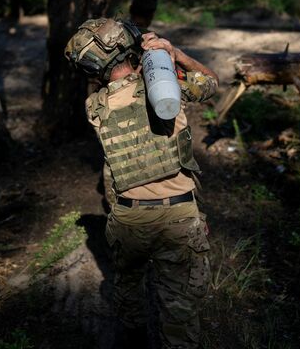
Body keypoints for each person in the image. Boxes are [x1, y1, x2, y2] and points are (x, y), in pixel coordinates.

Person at [64, 18, 218, 348]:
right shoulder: (165, 84)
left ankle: (131, 338)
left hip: (127, 220)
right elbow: (211, 82)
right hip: (178, 219)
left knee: (128, 294)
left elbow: (108, 86)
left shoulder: (95, 106)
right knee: (179, 314)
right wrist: (171, 54)